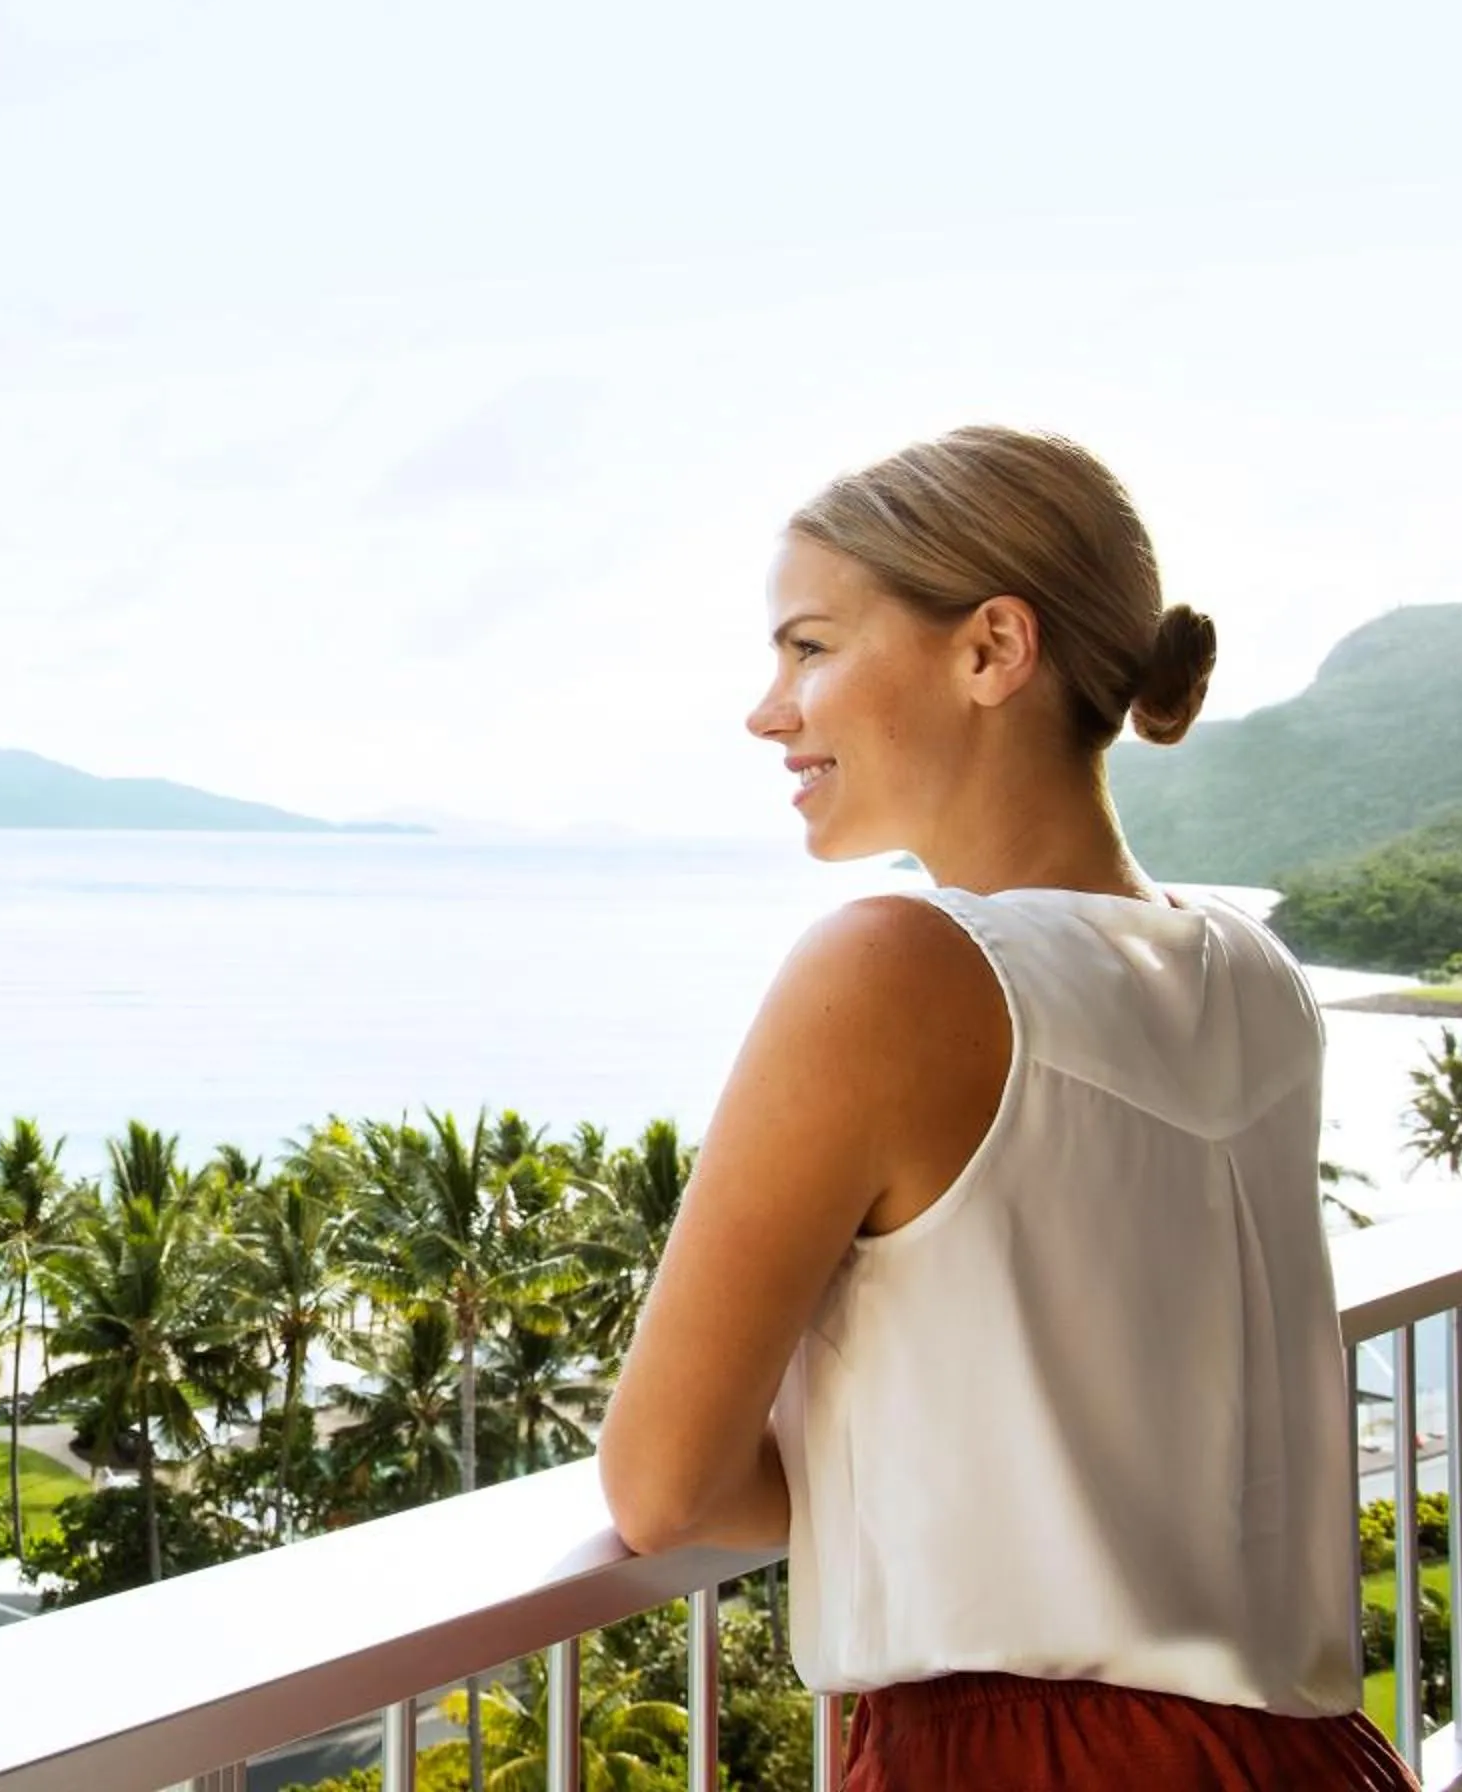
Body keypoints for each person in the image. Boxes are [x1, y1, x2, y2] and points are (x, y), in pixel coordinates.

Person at [596, 426, 1417, 1788]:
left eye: (809, 648)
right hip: (1309, 1756)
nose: (769, 711)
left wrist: (883, 1487)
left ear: (991, 649)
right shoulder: (1256, 975)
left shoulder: (890, 970)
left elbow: (664, 1484)